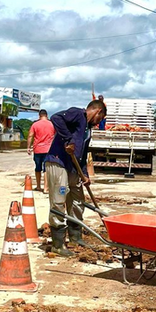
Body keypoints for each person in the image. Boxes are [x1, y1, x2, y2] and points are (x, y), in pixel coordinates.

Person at [45, 99, 107, 256]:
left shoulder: (88, 130)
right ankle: (58, 245)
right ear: (97, 112)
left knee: (78, 201)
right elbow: (56, 118)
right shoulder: (78, 114)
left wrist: (84, 174)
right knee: (59, 201)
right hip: (59, 162)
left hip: (74, 167)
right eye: (100, 119)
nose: (98, 122)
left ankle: (75, 236)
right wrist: (68, 139)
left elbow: (83, 154)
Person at [27, 109, 55, 192]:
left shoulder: (35, 124)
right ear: (47, 115)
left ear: (39, 116)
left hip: (38, 149)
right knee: (46, 168)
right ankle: (46, 188)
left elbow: (30, 136)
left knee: (38, 168)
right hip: (49, 149)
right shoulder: (52, 124)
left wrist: (28, 147)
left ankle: (38, 186)